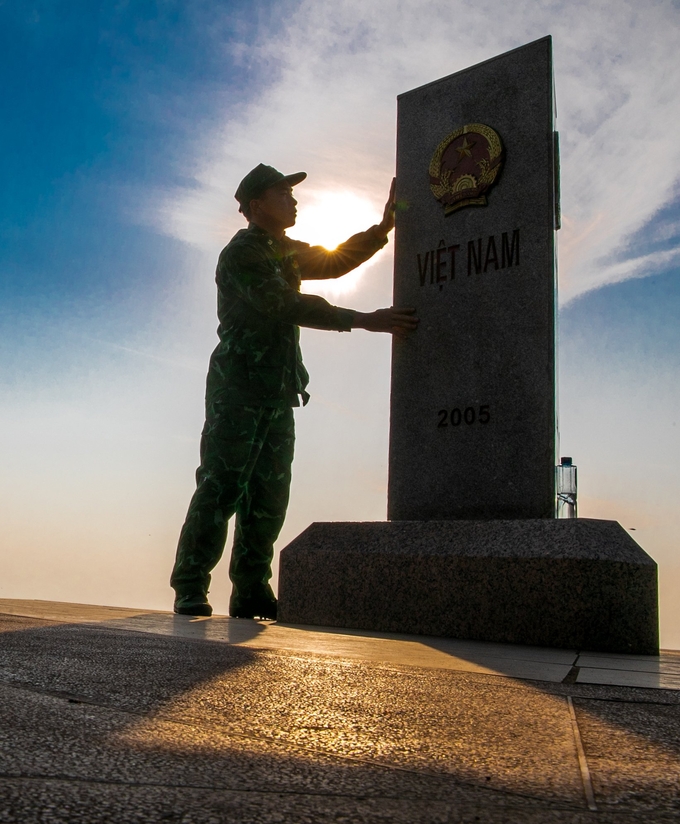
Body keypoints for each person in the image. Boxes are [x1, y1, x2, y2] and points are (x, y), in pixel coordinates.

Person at [170, 163, 418, 619]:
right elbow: (283, 304)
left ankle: (250, 590)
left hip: (279, 390)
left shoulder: (283, 250)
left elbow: (334, 260)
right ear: (256, 205)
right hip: (239, 388)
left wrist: (383, 228)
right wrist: (364, 319)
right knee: (222, 487)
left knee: (267, 496)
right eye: (284, 193)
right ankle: (189, 585)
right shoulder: (243, 253)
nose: (294, 200)